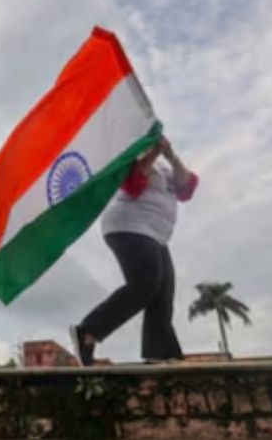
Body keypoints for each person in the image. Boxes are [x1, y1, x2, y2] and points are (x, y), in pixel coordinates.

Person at [70, 136, 198, 366]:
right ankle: (88, 332)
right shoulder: (131, 160)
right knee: (145, 284)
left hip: (158, 235)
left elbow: (187, 188)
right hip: (128, 226)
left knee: (163, 292)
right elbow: (132, 185)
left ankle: (159, 353)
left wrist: (169, 154)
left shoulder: (165, 168)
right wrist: (152, 154)